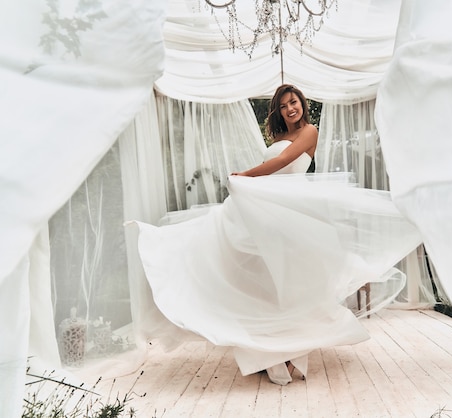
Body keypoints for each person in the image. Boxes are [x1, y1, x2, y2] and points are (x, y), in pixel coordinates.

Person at [127, 84, 422, 385]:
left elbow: (281, 163)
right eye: (283, 106)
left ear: (302, 104)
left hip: (290, 211)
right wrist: (250, 181)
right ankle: (267, 349)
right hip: (270, 210)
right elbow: (274, 164)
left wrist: (245, 175)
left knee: (291, 283)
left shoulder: (310, 131)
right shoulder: (279, 137)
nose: (289, 109)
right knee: (260, 278)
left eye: (293, 102)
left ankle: (289, 351)